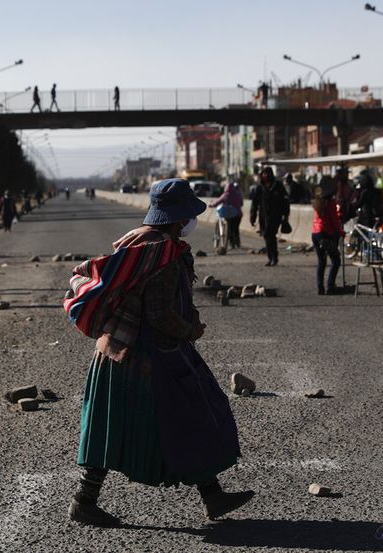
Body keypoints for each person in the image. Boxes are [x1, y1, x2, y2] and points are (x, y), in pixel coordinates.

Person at [63, 179, 253, 527]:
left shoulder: (142, 242)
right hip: (144, 357)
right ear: (178, 218)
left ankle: (211, 495)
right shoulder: (163, 255)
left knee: (121, 424)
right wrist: (190, 330)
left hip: (117, 351)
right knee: (192, 414)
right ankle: (84, 501)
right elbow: (160, 313)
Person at [250, 167, 289, 266]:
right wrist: (253, 216)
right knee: (267, 236)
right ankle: (270, 257)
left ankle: (274, 257)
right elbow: (254, 203)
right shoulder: (259, 187)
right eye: (264, 173)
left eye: (268, 173)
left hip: (275, 216)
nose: (266, 175)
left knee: (270, 235)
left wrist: (286, 216)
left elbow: (285, 202)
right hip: (263, 216)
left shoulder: (278, 186)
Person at [311, 176, 344, 295]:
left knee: (321, 261)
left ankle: (320, 287)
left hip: (315, 233)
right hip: (325, 234)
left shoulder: (317, 202)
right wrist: (340, 233)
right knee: (336, 260)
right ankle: (330, 285)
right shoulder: (330, 203)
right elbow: (334, 221)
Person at [209, 181, 243, 249]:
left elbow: (217, 202)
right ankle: (237, 243)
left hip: (229, 215)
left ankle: (232, 244)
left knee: (229, 229)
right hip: (238, 215)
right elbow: (241, 203)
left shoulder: (225, 194)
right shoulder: (238, 194)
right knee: (235, 229)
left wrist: (211, 204)